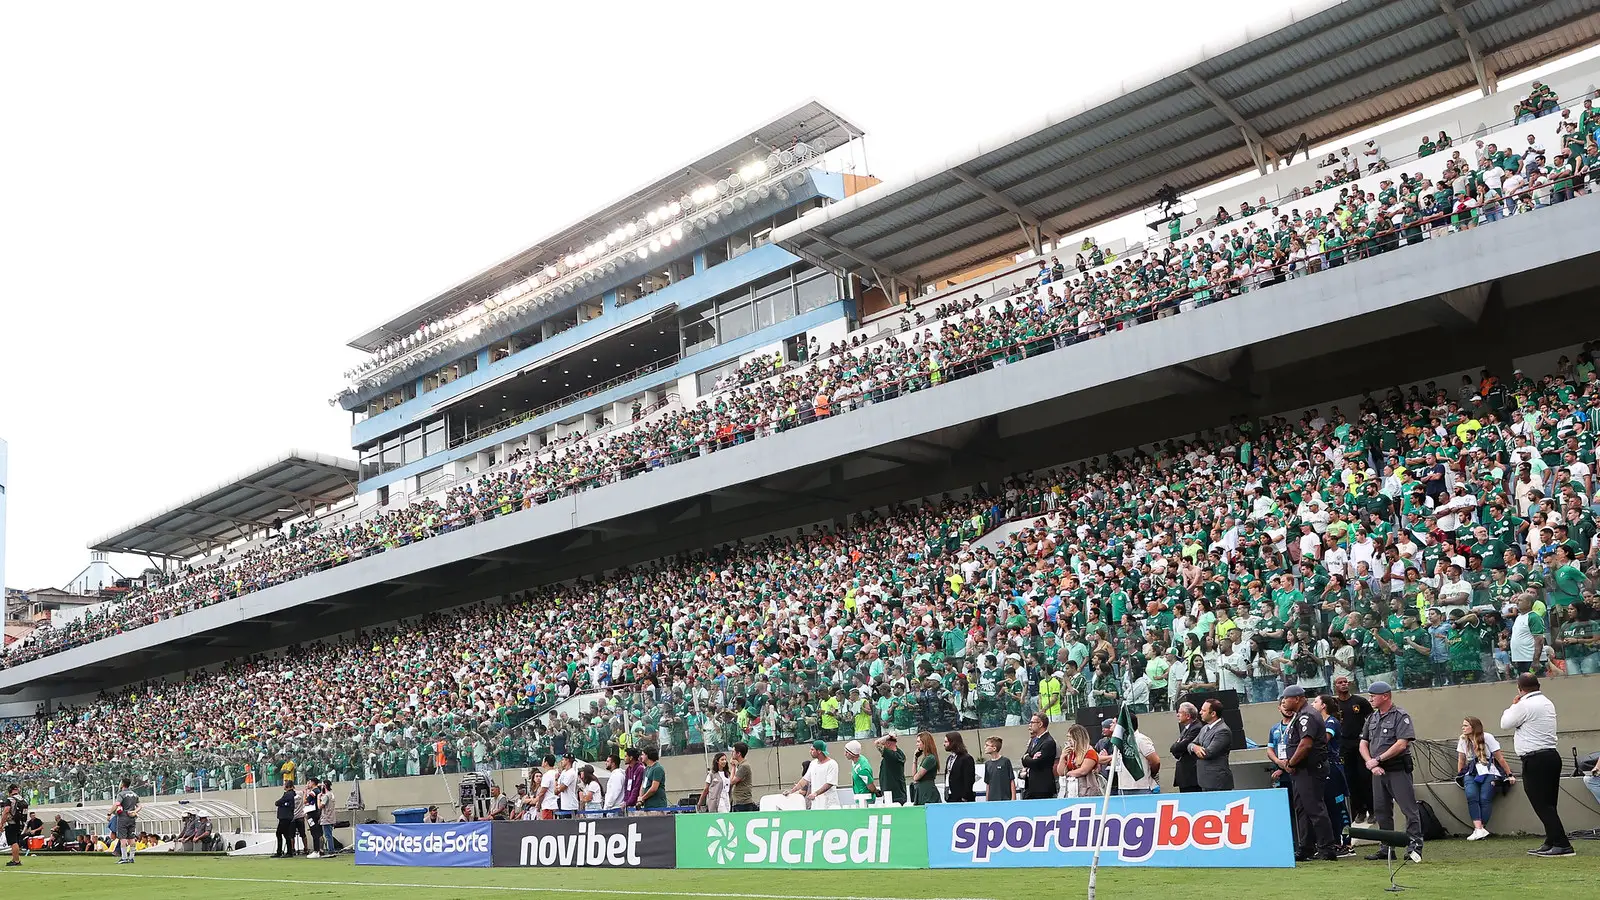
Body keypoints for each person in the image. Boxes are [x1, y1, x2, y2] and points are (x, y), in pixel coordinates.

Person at [1500, 673, 1572, 856]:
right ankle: (1551, 840)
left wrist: (1513, 704)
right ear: (1538, 685)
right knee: (1549, 803)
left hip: (1535, 759)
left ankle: (1562, 844)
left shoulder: (1524, 705)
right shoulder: (1547, 702)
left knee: (1541, 804)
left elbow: (1505, 723)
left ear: (1520, 688)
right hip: (1550, 756)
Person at [1358, 681, 1422, 863]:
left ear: (1385, 696)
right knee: (1381, 811)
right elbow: (1363, 743)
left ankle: (1414, 848)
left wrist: (1377, 760)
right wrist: (1371, 763)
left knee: (1409, 809)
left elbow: (1402, 744)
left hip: (1397, 769)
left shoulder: (1400, 716)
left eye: (1373, 695)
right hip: (1378, 771)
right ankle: (1386, 848)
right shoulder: (1372, 718)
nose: (1370, 699)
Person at [1280, 685, 1337, 862]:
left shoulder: (1307, 715)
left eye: (1286, 698)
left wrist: (1291, 762)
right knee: (1302, 809)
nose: (1284, 701)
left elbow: (1306, 744)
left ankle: (1327, 848)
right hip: (1301, 771)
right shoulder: (1299, 715)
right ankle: (1306, 847)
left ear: (1297, 698)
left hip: (1310, 769)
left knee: (1315, 809)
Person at [1457, 715, 1514, 840]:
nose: (1463, 728)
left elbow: (1499, 757)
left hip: (1488, 769)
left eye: (1466, 725)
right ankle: (1478, 829)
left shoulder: (1487, 737)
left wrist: (1509, 774)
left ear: (1474, 727)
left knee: (1484, 798)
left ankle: (1480, 828)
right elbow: (1461, 759)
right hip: (1471, 771)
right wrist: (1460, 775)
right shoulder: (1463, 740)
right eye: (1463, 725)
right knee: (1471, 795)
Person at [1333, 675, 1374, 824]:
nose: (1343, 684)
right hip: (1343, 746)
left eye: (1345, 682)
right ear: (1335, 686)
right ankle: (1359, 811)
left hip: (1360, 744)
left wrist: (1366, 737)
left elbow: (1371, 720)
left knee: (1365, 777)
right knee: (1350, 780)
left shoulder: (1359, 702)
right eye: (1340, 683)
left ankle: (1372, 809)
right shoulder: (1333, 704)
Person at [1189, 697, 1235, 791]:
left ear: (1213, 713)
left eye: (1203, 710)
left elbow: (1208, 753)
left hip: (1217, 781)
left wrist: (1196, 748)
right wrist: (1194, 747)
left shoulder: (1223, 730)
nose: (1200, 712)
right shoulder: (1204, 728)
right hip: (1204, 780)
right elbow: (1191, 744)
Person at [786, 740, 840, 809]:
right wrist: (791, 791)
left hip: (829, 804)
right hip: (816, 804)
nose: (810, 751)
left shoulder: (832, 764)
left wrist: (815, 793)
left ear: (819, 751)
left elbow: (829, 783)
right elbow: (804, 780)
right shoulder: (813, 763)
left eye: (812, 749)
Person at [1020, 713, 1058, 799]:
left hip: (1042, 788)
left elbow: (1036, 763)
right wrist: (1028, 758)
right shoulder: (1034, 740)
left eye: (1032, 722)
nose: (1030, 725)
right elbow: (1023, 759)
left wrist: (1028, 758)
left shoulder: (1048, 742)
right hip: (1030, 786)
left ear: (1040, 724)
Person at [1170, 702, 1204, 792]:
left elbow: (1180, 746)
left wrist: (1177, 746)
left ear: (1188, 716)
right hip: (1185, 776)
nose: (1177, 715)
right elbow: (1175, 748)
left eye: (1180, 712)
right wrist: (1176, 746)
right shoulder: (1186, 728)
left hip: (1191, 776)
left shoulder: (1196, 728)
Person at [874, 735, 906, 805]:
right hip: (898, 795)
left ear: (888, 743)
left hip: (892, 797)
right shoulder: (899, 754)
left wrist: (888, 736)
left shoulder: (891, 755)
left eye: (884, 743)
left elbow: (877, 743)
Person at [944, 732, 977, 802]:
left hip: (962, 799)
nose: (944, 744)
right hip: (950, 796)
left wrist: (965, 797)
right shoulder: (949, 758)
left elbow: (969, 779)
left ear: (953, 742)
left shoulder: (966, 758)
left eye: (946, 742)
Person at [635, 748, 668, 814]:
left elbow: (654, 788)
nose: (641, 757)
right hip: (647, 806)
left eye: (643, 755)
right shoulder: (647, 769)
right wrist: (640, 798)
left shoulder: (657, 768)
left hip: (657, 807)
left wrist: (642, 798)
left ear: (648, 756)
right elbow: (643, 785)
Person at [911, 731, 941, 805]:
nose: (916, 744)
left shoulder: (930, 758)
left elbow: (916, 777)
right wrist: (915, 758)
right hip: (921, 791)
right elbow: (914, 775)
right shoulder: (926, 758)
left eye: (918, 742)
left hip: (927, 792)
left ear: (925, 742)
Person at [982, 736, 1015, 801]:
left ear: (994, 748)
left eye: (987, 745)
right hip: (992, 800)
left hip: (1005, 798)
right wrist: (987, 800)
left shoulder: (1005, 761)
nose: (984, 747)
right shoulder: (987, 764)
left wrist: (1013, 798)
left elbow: (1011, 780)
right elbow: (988, 784)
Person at [0, 784, 25, 867]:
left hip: (11, 823)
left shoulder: (10, 800)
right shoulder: (21, 799)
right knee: (16, 842)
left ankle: (16, 860)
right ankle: (15, 859)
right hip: (20, 823)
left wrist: (1, 823)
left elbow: (6, 811)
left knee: (13, 842)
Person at [729, 743, 757, 812]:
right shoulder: (741, 765)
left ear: (738, 753)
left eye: (733, 751)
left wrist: (733, 766)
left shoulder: (744, 766)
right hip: (739, 800)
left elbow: (732, 781)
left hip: (743, 801)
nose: (732, 753)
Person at [273, 780, 296, 860]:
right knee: (284, 834)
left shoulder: (288, 795)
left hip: (285, 817)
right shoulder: (289, 794)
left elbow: (279, 802)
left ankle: (285, 851)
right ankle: (285, 851)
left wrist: (281, 803)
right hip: (285, 816)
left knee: (281, 833)